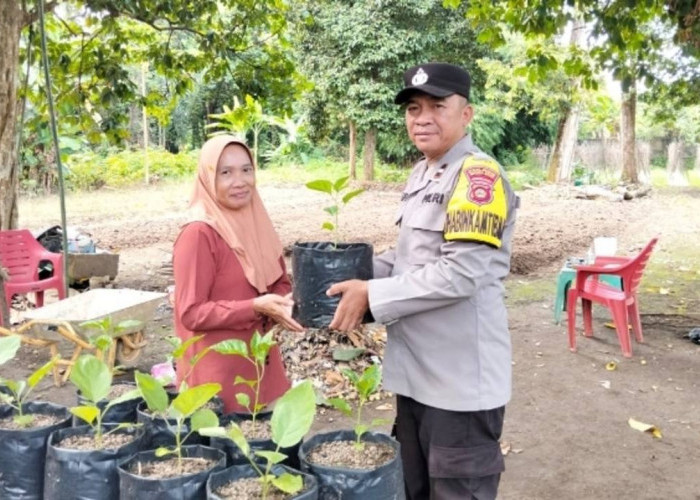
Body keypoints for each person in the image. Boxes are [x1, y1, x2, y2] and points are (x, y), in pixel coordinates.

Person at [327, 62, 519, 499]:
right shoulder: (424, 172)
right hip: (415, 377)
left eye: (437, 105)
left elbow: (462, 273)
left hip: (459, 385)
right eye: (414, 108)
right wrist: (349, 273)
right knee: (413, 490)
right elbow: (411, 258)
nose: (422, 117)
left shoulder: (477, 177)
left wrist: (371, 294)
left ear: (466, 114)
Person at [172, 135, 303, 414]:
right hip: (219, 383)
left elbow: (278, 280)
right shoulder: (198, 234)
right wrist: (255, 307)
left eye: (247, 169)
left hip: (264, 368)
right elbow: (191, 313)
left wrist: (282, 304)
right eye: (226, 172)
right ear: (208, 178)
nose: (240, 181)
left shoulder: (257, 221)